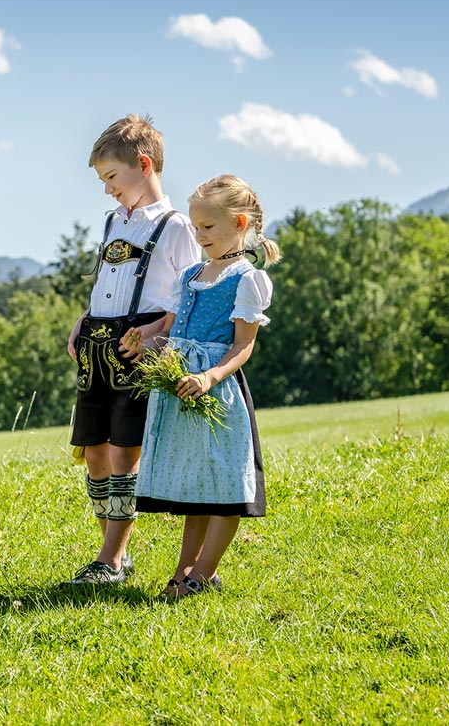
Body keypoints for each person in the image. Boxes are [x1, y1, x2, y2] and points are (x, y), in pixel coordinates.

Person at [126, 174, 281, 600]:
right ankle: (183, 574)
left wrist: (209, 376)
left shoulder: (247, 279)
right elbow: (172, 332)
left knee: (223, 488)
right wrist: (147, 340)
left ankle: (201, 576)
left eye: (208, 228)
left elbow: (243, 345)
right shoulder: (192, 274)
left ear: (240, 223)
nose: (199, 235)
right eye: (195, 228)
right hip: (179, 390)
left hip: (216, 391)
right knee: (196, 488)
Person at [64, 115, 199, 586]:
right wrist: (84, 320)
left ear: (144, 165)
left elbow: (190, 295)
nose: (107, 190)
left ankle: (111, 559)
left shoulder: (176, 227)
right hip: (96, 344)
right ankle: (113, 552)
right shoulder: (111, 222)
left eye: (111, 178)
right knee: (94, 452)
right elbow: (108, 282)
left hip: (136, 348)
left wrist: (160, 330)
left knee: (124, 453)